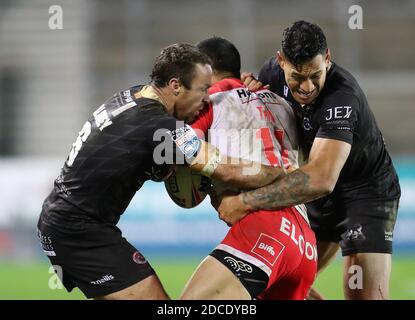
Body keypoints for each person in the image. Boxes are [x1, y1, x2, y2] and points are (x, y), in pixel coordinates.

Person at [36, 43, 285, 300]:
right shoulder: (159, 126)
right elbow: (225, 169)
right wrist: (281, 174)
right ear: (176, 86)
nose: (207, 98)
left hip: (64, 221)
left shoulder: (133, 96)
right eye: (202, 89)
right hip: (78, 230)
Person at [218, 21, 401, 300]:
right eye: (297, 77)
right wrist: (253, 94)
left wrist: (244, 202)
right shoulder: (271, 76)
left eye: (316, 74)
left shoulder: (342, 97)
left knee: (361, 294)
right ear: (281, 62)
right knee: (280, 288)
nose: (307, 86)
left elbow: (320, 178)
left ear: (327, 58)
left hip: (365, 195)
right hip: (314, 196)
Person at [179, 37, 317, 300]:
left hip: (264, 226)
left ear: (205, 69)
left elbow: (188, 151)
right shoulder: (282, 103)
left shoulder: (208, 102)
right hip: (305, 244)